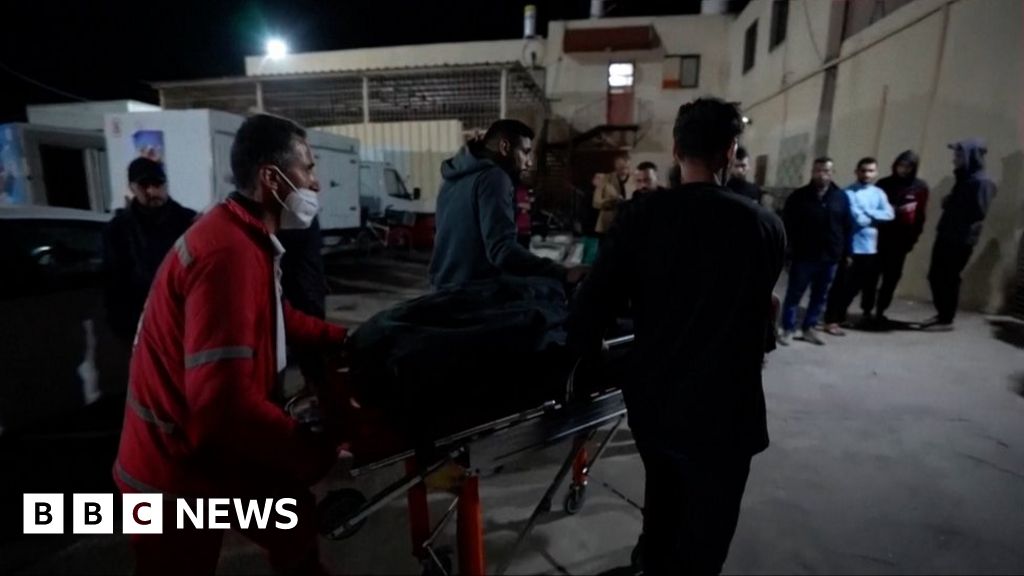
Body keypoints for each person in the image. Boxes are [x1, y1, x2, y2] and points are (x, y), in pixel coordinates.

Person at [113, 114, 348, 576]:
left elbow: (275, 319)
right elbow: (223, 409)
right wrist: (313, 449)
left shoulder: (245, 236)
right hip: (173, 475)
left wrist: (344, 338)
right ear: (271, 177)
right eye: (307, 168)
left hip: (208, 453)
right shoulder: (229, 254)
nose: (316, 183)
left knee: (292, 519)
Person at [568, 97, 785, 574]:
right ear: (729, 152)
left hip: (657, 402)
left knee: (663, 499)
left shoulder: (643, 216)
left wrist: (587, 368)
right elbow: (761, 318)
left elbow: (593, 304)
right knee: (709, 529)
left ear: (674, 150)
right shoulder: (764, 226)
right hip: (729, 409)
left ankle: (652, 560)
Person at [429, 119, 585, 287]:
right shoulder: (494, 176)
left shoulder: (453, 177)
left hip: (443, 287)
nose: (529, 162)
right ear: (505, 147)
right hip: (473, 292)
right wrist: (563, 272)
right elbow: (502, 251)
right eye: (525, 152)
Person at [102, 158, 196, 342]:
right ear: (132, 187)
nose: (152, 191)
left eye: (158, 184)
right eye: (144, 185)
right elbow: (114, 284)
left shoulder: (189, 222)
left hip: (184, 321)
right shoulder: (118, 230)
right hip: (141, 324)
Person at [922, 138, 997, 331]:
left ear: (970, 156)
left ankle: (946, 319)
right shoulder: (964, 178)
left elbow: (978, 211)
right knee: (937, 276)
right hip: (948, 233)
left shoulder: (981, 182)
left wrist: (951, 203)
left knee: (948, 277)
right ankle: (942, 315)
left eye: (958, 155)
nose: (954, 159)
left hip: (961, 239)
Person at [777, 157, 851, 346]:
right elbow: (788, 226)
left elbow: (847, 226)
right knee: (794, 294)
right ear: (812, 172)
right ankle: (788, 328)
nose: (821, 174)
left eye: (826, 171)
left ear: (832, 173)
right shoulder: (799, 197)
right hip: (804, 256)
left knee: (820, 296)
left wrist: (846, 253)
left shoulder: (840, 197)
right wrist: (787, 253)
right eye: (818, 170)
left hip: (830, 257)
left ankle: (809, 328)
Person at [822, 157, 894, 334]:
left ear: (876, 172)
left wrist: (869, 212)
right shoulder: (848, 193)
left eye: (870, 171)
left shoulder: (879, 193)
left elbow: (889, 214)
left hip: (871, 248)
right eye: (863, 170)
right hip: (852, 247)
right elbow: (858, 219)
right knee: (842, 285)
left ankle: (852, 316)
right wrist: (874, 216)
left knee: (863, 286)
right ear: (857, 171)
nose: (867, 174)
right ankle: (832, 319)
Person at [872, 151, 930, 323]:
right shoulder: (884, 184)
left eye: (908, 166)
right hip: (880, 237)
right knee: (871, 275)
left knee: (891, 278)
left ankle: (880, 310)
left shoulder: (919, 187)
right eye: (901, 165)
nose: (903, 170)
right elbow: (875, 208)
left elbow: (920, 215)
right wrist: (896, 210)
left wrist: (913, 238)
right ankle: (867, 309)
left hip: (901, 240)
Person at [278, 215, 330, 392]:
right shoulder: (301, 215)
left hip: (303, 294)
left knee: (310, 353)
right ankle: (318, 390)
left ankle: (320, 393)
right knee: (308, 353)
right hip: (307, 291)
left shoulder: (299, 217)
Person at [592, 151, 637, 235]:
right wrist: (612, 201)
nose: (623, 170)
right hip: (607, 225)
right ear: (615, 165)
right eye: (620, 167)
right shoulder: (604, 179)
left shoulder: (635, 180)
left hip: (629, 224)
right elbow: (596, 203)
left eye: (626, 167)